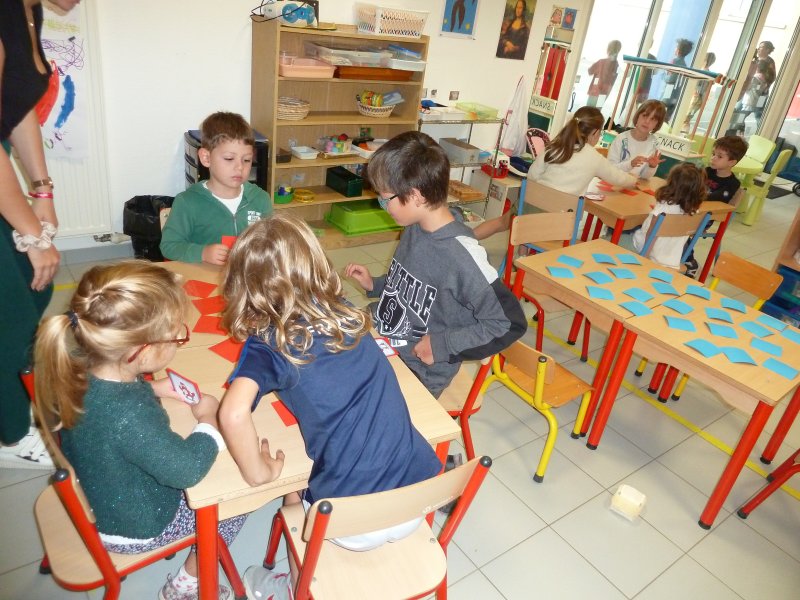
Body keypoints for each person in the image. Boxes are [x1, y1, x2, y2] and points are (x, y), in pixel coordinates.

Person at [217, 214, 443, 599]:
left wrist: (259, 473)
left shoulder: (268, 342)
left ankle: (292, 587)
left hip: (348, 521)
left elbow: (232, 413)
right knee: (307, 480)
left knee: (292, 490)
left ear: (244, 285)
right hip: (417, 499)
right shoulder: (344, 310)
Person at [33, 261, 244, 600]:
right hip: (135, 526)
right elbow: (186, 471)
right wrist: (209, 421)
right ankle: (186, 585)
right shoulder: (129, 415)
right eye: (176, 336)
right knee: (235, 502)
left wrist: (154, 387)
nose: (179, 341)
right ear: (140, 351)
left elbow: (111, 406)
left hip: (94, 493)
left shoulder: (80, 368)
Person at [345, 131, 527, 399]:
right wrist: (376, 284)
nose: (383, 206)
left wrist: (442, 345)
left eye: (385, 199)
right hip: (380, 334)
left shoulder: (463, 256)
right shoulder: (415, 227)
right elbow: (408, 284)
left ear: (416, 196)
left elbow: (509, 323)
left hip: (415, 366)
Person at [0, 0, 81, 470]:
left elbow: (16, 107)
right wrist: (32, 236)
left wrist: (41, 190)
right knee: (10, 316)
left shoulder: (29, 10)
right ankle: (11, 437)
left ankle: (13, 397)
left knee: (38, 287)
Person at [473, 106, 638, 240]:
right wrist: (633, 181)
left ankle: (467, 239)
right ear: (594, 133)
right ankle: (526, 256)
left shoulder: (555, 146)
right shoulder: (594, 158)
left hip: (530, 208)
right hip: (559, 222)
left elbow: (532, 175)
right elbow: (617, 177)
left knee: (502, 222)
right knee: (550, 232)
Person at [160, 111, 272, 265]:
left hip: (246, 274)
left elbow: (271, 242)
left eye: (246, 160)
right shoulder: (187, 202)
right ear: (206, 158)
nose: (240, 167)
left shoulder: (260, 199)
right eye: (229, 158)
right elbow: (169, 246)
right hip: (203, 275)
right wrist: (202, 253)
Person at [619, 162, 706, 269]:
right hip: (672, 261)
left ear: (671, 183)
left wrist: (644, 258)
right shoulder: (694, 212)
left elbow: (651, 235)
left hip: (648, 254)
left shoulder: (663, 209)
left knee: (613, 236)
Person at [682, 135, 748, 276]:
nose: (713, 158)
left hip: (705, 218)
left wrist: (695, 193)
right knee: (671, 222)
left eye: (719, 156)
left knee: (676, 226)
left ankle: (689, 262)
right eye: (713, 154)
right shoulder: (707, 171)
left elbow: (717, 198)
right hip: (691, 210)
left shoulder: (732, 183)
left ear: (732, 162)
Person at [608, 100, 666, 179]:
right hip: (614, 181)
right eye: (645, 115)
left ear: (657, 125)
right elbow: (610, 169)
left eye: (653, 119)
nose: (647, 121)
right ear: (637, 116)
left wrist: (651, 166)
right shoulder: (621, 139)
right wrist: (630, 164)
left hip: (634, 184)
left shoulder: (654, 144)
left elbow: (645, 177)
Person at [681, 52, 716, 134]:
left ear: (705, 60)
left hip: (696, 98)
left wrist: (695, 91)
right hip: (699, 99)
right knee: (687, 117)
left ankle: (683, 132)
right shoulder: (709, 74)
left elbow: (698, 87)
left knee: (686, 117)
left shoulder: (702, 73)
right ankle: (684, 132)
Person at [662, 38, 695, 120]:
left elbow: (670, 79)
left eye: (676, 47)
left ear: (678, 50)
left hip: (668, 91)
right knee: (667, 117)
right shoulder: (685, 65)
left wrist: (663, 76)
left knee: (660, 113)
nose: (675, 49)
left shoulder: (674, 61)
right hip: (676, 94)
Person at [587, 40, 622, 107]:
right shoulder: (616, 65)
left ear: (608, 49)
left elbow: (590, 71)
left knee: (588, 110)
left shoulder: (601, 62)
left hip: (595, 91)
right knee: (597, 110)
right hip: (605, 93)